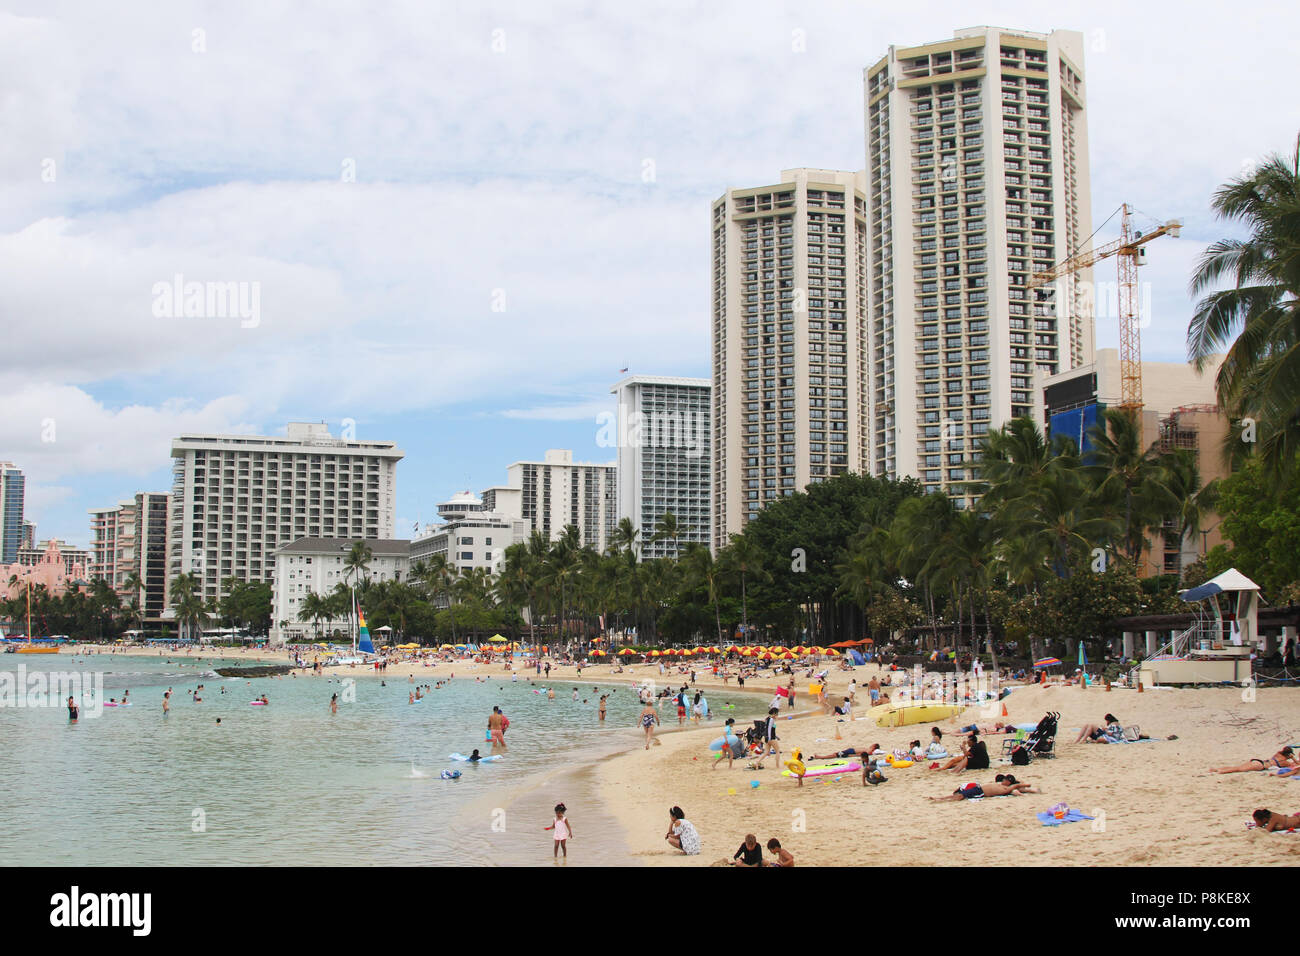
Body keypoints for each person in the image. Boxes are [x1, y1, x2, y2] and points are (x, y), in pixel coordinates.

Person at [930, 774, 1041, 801]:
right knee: (961, 792)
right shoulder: (1001, 785)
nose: (1002, 780)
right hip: (979, 788)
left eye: (1005, 780)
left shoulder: (1006, 789)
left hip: (981, 792)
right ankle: (942, 798)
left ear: (1008, 782)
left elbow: (1017, 786)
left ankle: (941, 799)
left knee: (961, 796)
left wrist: (1025, 785)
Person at [1210, 748, 1298, 773]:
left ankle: (1217, 769)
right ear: (1288, 755)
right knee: (1238, 769)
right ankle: (1221, 771)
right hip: (1260, 766)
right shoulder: (1284, 762)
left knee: (1237, 767)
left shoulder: (1278, 754)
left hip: (1259, 761)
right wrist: (1293, 758)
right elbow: (1295, 765)